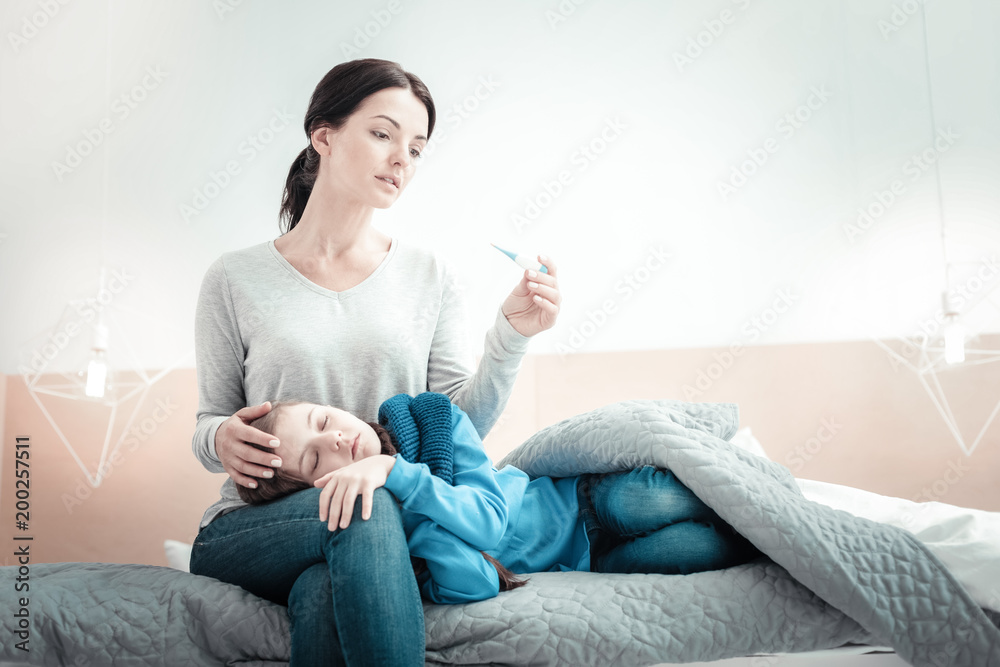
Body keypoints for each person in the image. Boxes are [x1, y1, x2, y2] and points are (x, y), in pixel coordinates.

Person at [188, 59, 561, 667]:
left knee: (324, 586)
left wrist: (511, 337)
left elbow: (455, 421)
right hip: (257, 528)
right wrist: (220, 439)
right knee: (365, 502)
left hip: (377, 525)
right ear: (324, 135)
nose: (401, 160)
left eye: (416, 148)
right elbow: (210, 423)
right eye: (384, 134)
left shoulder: (428, 275)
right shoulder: (234, 278)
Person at [235, 392, 762, 604]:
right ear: (317, 493)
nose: (332, 441)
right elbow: (479, 583)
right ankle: (758, 537)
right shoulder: (381, 540)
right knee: (695, 554)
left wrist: (400, 472)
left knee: (637, 505)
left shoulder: (432, 420)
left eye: (323, 421)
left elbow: (488, 523)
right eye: (314, 461)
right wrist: (412, 519)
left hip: (582, 503)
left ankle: (749, 488)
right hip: (594, 559)